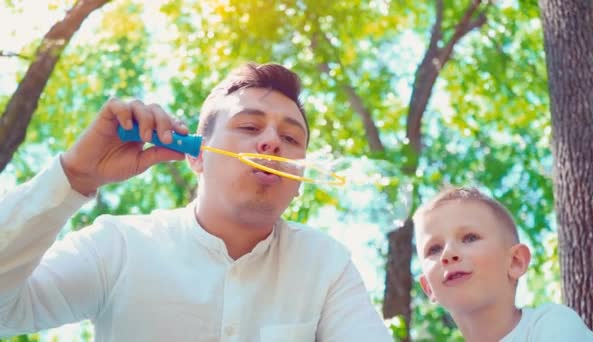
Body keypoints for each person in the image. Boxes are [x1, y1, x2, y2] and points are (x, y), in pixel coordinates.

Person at [0, 63, 391, 341]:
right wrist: (74, 176)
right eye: (250, 127)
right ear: (196, 155)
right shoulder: (117, 245)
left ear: (299, 180)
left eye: (290, 139)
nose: (272, 142)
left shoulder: (327, 265)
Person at [413, 186, 593, 341]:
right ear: (428, 287)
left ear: (515, 262)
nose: (448, 253)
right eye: (434, 249)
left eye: (469, 238)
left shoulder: (553, 323)